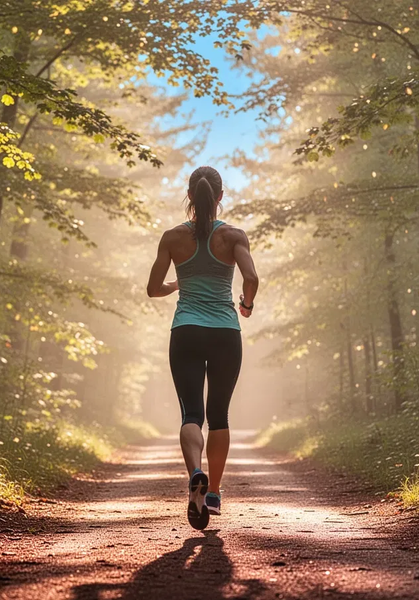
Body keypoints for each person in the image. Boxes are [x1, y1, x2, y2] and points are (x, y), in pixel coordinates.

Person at [146, 166, 259, 530]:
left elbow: (153, 289)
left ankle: (196, 472)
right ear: (220, 196)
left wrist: (179, 284)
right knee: (219, 415)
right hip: (225, 332)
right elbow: (251, 278)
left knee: (191, 414)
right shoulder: (233, 236)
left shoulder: (172, 238)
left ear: (190, 195)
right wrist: (246, 305)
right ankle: (213, 493)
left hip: (186, 331)